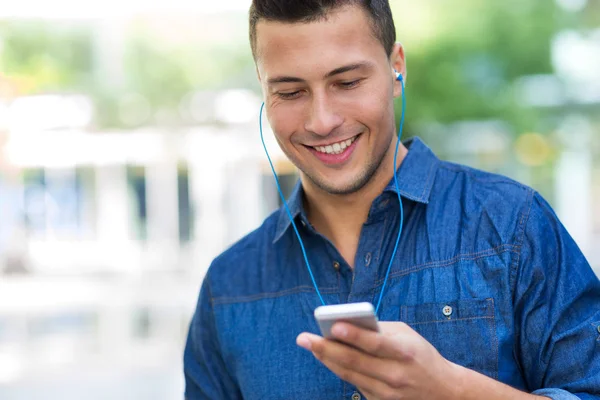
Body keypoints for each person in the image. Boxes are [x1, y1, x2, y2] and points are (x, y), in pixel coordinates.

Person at [183, 1, 600, 399]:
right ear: (263, 88)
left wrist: (452, 392)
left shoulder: (513, 226)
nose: (322, 121)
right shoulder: (229, 287)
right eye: (291, 92)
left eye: (347, 82)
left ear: (396, 66)